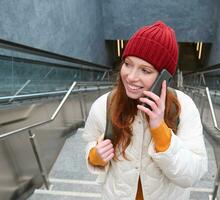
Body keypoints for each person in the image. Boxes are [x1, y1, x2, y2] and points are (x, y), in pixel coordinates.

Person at [82, 20, 207, 200]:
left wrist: (160, 129)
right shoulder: (105, 104)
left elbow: (192, 174)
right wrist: (95, 156)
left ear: (164, 77)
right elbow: (89, 142)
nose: (131, 77)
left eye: (145, 70)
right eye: (128, 64)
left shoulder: (184, 107)